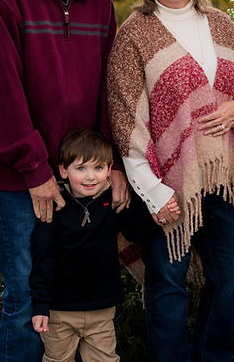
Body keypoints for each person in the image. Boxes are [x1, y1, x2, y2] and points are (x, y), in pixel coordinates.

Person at [0, 0, 127, 362]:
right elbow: (0, 94)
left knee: (75, 298)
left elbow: (110, 89)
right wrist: (37, 171)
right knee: (25, 298)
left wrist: (112, 166)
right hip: (22, 179)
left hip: (85, 178)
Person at [106, 0, 234, 362]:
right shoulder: (135, 33)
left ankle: (213, 354)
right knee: (168, 284)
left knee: (233, 275)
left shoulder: (220, 23)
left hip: (228, 176)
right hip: (167, 182)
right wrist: (154, 192)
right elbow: (125, 117)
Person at [30, 129, 145, 362]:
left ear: (110, 169)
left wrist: (134, 199)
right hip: (59, 312)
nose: (90, 177)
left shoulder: (111, 202)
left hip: (101, 311)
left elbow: (135, 232)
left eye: (99, 168)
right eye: (81, 168)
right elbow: (43, 257)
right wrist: (41, 305)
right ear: (63, 170)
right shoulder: (54, 207)